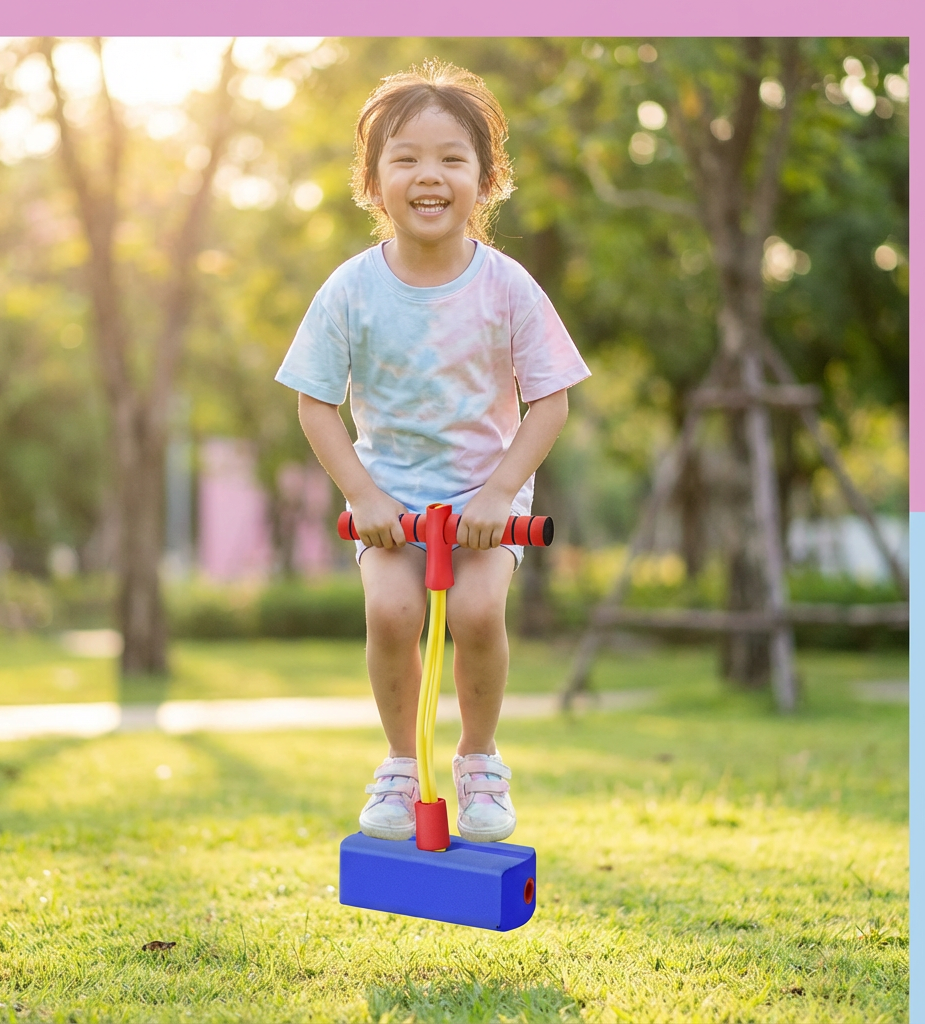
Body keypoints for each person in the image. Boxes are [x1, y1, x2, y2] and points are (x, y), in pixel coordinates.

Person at [275, 60, 590, 844]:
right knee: (392, 613)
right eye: (406, 157)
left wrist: (500, 493)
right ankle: (399, 764)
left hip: (487, 494)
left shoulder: (507, 286)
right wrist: (363, 495)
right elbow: (315, 402)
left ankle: (479, 760)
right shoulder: (350, 289)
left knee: (477, 613)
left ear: (485, 180)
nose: (429, 175)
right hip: (388, 496)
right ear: (372, 181)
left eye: (452, 158)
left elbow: (550, 399)